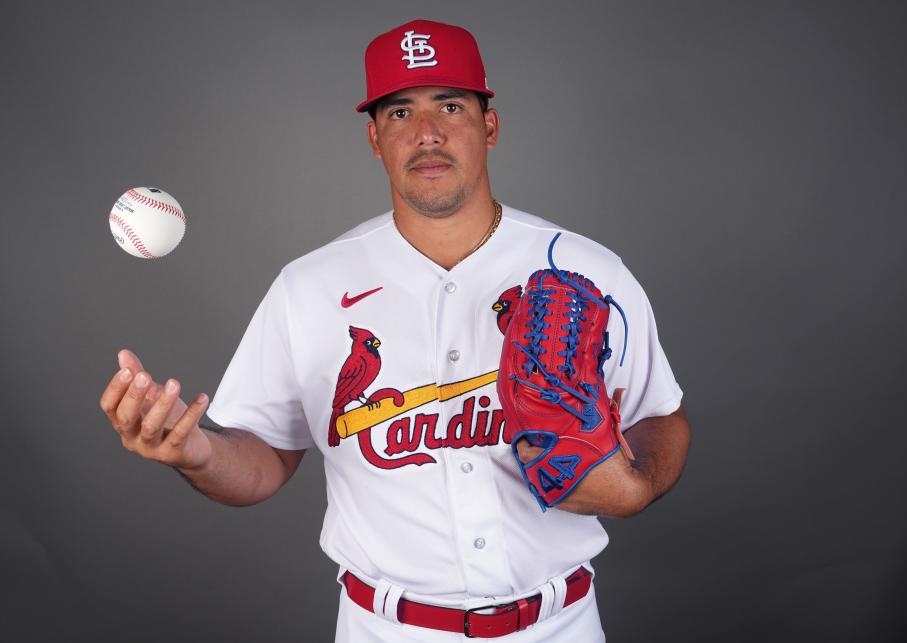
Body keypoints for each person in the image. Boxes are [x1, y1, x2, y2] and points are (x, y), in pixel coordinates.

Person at [99, 19, 691, 641]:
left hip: (559, 624)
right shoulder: (310, 287)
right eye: (400, 112)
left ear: (490, 126)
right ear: (375, 139)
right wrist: (196, 455)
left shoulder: (585, 270)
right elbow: (267, 458)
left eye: (451, 105)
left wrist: (639, 483)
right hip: (387, 630)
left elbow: (661, 417)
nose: (427, 133)